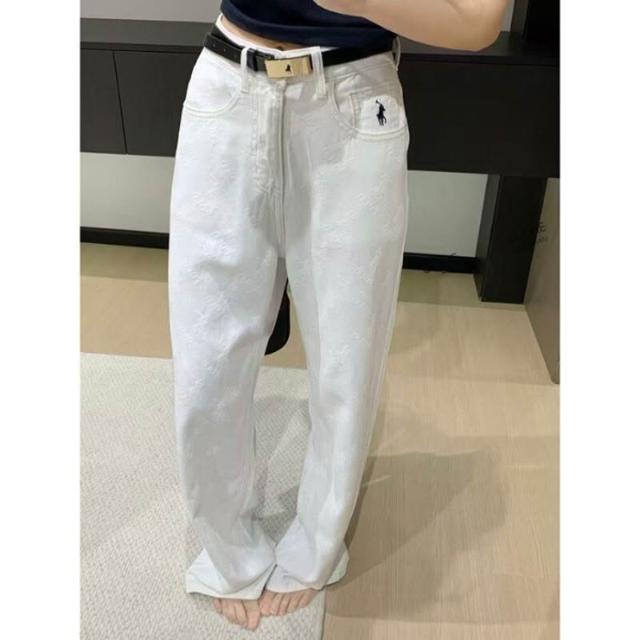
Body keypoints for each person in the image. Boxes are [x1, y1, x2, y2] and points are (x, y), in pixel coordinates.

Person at [168, 0, 508, 631]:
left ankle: (315, 546)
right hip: (228, 82)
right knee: (206, 363)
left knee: (345, 363)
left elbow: (480, 20)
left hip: (351, 101)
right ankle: (227, 550)